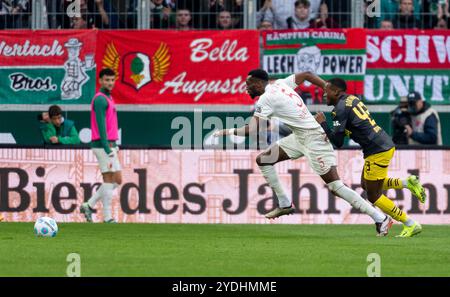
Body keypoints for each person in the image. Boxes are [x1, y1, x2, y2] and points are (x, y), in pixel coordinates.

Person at [214, 69, 394, 237]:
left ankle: (381, 218)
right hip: (300, 137)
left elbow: (252, 129)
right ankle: (285, 204)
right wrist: (327, 87)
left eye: (249, 84)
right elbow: (307, 74)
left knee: (335, 186)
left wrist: (227, 132)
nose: (246, 88)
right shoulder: (280, 84)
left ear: (259, 84)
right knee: (264, 159)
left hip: (314, 139)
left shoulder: (265, 99)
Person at [314, 76, 427, 237]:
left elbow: (338, 142)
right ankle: (406, 183)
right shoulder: (351, 99)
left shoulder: (339, 109)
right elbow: (355, 125)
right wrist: (336, 131)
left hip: (376, 150)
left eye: (327, 91)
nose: (324, 95)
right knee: (366, 184)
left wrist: (323, 124)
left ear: (337, 91)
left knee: (373, 195)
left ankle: (409, 223)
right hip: (382, 143)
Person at [80, 68, 122, 223]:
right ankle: (107, 217)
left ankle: (89, 205)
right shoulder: (100, 99)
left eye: (112, 80)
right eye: (107, 80)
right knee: (112, 180)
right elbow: (101, 124)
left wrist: (113, 144)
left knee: (115, 180)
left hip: (109, 144)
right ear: (100, 81)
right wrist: (107, 147)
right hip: (102, 145)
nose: (110, 83)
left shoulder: (108, 98)